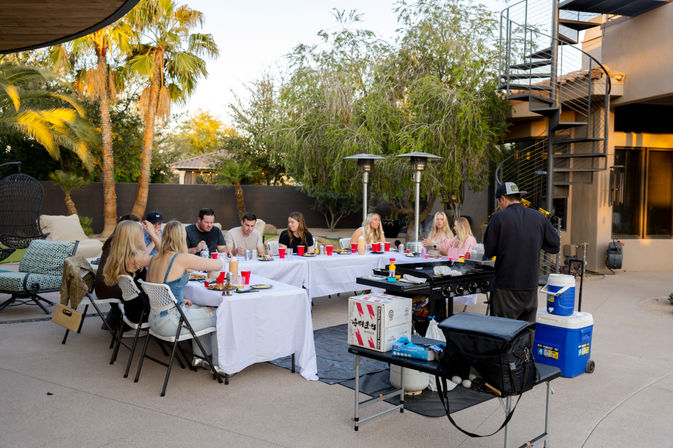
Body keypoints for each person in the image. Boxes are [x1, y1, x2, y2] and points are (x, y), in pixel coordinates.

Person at [146, 220, 225, 372]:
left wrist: (180, 300)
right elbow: (217, 265)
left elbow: (162, 289)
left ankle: (199, 358)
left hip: (154, 319)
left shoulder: (154, 258)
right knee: (219, 315)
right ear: (181, 238)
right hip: (172, 322)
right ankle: (218, 366)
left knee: (200, 306)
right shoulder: (180, 258)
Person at [483, 182, 560, 322]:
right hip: (530, 286)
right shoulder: (538, 217)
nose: (499, 205)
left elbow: (488, 251)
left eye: (498, 202)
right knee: (526, 332)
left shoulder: (498, 218)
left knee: (503, 332)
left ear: (502, 199)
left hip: (505, 287)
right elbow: (555, 245)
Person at [101, 219, 156, 335]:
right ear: (135, 237)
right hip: (143, 313)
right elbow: (167, 259)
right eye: (140, 233)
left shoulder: (121, 255)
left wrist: (153, 239)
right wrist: (153, 234)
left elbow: (144, 253)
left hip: (130, 309)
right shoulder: (136, 258)